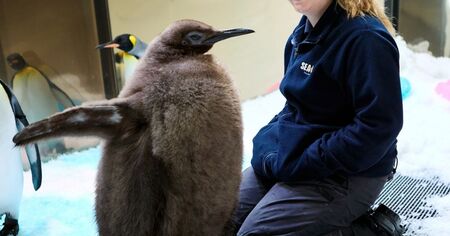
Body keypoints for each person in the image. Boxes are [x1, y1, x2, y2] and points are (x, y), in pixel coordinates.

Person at [230, 0, 403, 235]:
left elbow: (377, 127)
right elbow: (295, 107)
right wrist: (272, 148)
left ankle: (365, 230)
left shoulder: (366, 39)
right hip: (304, 155)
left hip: (349, 171)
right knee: (218, 219)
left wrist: (304, 161)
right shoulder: (303, 33)